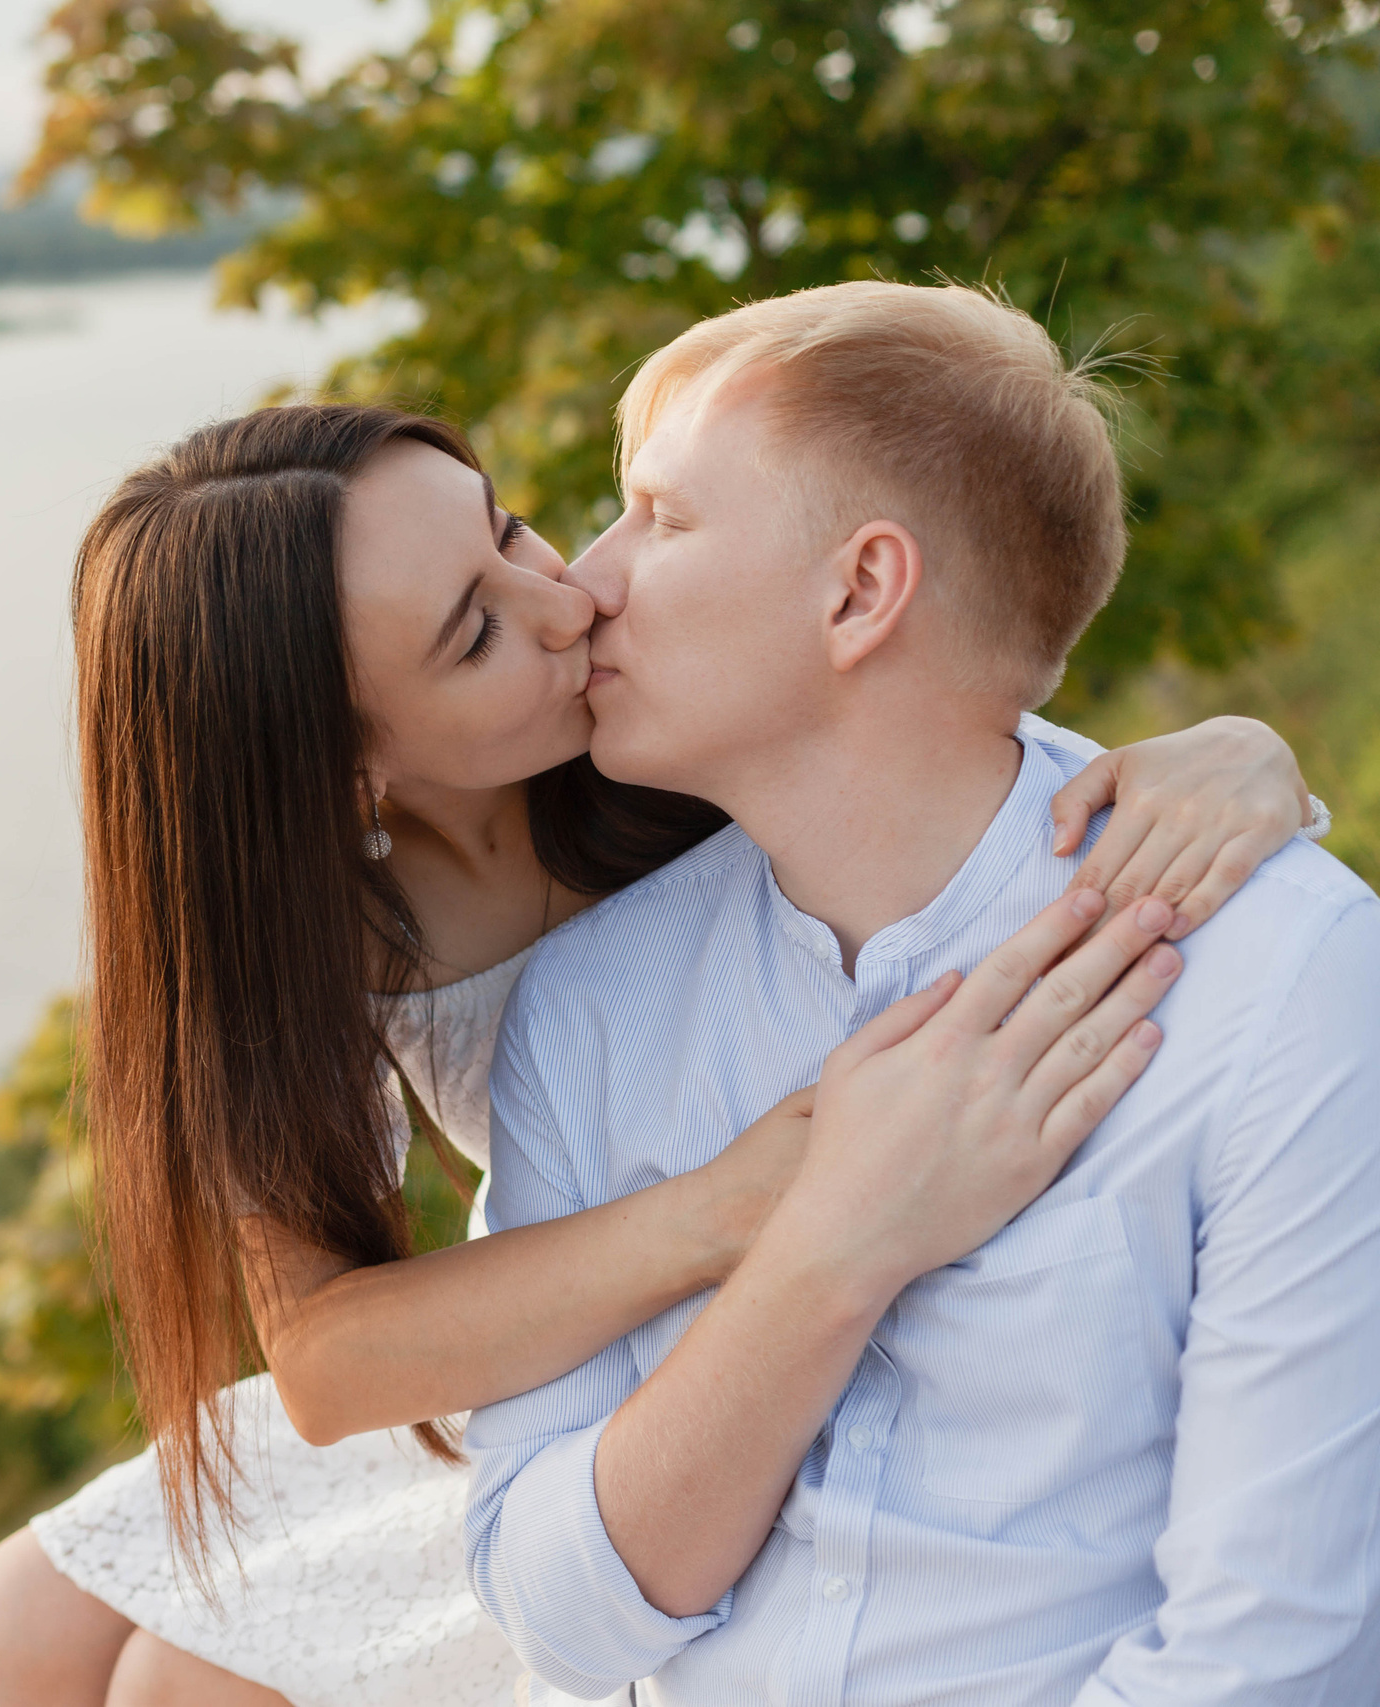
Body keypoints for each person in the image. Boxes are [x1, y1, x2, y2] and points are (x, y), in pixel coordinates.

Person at [0, 401, 1325, 1707]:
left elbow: (925, 733)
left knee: (183, 1685)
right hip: (576, 1317)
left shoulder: (671, 720)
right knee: (5, 1636)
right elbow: (326, 1364)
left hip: (730, 1355)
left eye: (510, 526)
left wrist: (1234, 751)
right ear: (339, 771)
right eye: (476, 634)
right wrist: (729, 1205)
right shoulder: (288, 926)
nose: (569, 600)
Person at [466, 280, 1380, 1704]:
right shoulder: (589, 1011)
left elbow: (1271, 1659)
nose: (587, 578)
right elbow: (561, 1625)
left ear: (860, 591)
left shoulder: (1275, 981)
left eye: (663, 515)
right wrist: (833, 1252)